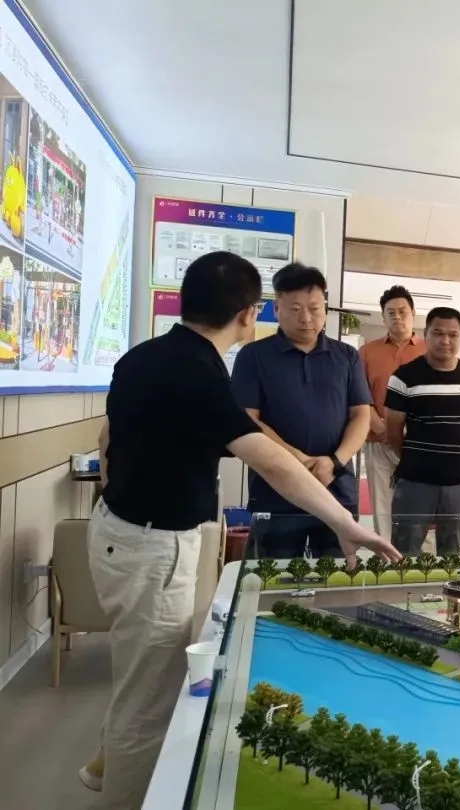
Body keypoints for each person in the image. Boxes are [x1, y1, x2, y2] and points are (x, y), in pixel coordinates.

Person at [79, 251, 399, 809]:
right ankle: (123, 788)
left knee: (140, 672)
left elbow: (108, 441)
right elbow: (273, 464)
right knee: (148, 703)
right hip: (153, 548)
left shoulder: (143, 356)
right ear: (251, 314)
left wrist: (125, 492)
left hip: (118, 530)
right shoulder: (204, 375)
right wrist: (347, 524)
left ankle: (104, 762)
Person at [232, 263, 373, 558]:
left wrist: (334, 461)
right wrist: (299, 461)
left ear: (325, 307)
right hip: (275, 493)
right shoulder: (253, 356)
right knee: (273, 575)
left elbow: (361, 416)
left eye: (315, 308)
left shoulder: (346, 356)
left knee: (337, 574)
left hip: (336, 490)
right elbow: (248, 420)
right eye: (295, 309)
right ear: (276, 309)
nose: (306, 318)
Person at [385, 307, 460, 557]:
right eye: (438, 333)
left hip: (458, 483)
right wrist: (416, 458)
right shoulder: (404, 376)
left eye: (453, 334)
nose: (445, 340)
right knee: (404, 554)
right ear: (425, 334)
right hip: (415, 482)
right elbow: (393, 432)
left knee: (452, 555)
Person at [359, 285, 424, 539]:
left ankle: (419, 557)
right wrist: (381, 428)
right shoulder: (367, 352)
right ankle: (386, 555)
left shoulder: (429, 350)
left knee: (420, 505)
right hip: (378, 439)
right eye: (391, 313)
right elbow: (358, 395)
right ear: (383, 317)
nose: (397, 317)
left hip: (418, 442)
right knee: (382, 508)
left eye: (402, 311)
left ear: (413, 314)